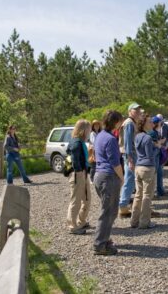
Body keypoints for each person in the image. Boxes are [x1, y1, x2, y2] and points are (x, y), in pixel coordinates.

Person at [93, 110, 124, 255]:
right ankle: (100, 244)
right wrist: (122, 178)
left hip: (99, 175)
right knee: (108, 212)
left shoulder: (100, 135)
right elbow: (115, 163)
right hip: (108, 177)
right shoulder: (111, 139)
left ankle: (104, 238)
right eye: (120, 121)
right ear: (116, 122)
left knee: (109, 211)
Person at [131, 114, 158, 229]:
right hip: (147, 168)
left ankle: (134, 221)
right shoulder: (147, 138)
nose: (152, 124)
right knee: (147, 195)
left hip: (138, 167)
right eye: (149, 122)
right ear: (144, 124)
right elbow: (150, 156)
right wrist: (157, 147)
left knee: (138, 195)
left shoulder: (137, 136)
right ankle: (144, 222)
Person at [66, 119, 92, 235]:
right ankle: (72, 226)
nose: (90, 131)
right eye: (89, 129)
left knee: (87, 199)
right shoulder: (76, 143)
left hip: (83, 173)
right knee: (76, 200)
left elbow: (68, 154)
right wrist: (79, 172)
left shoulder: (77, 141)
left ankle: (81, 221)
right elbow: (75, 161)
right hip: (78, 174)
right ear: (83, 130)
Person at [118, 103, 142, 217]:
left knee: (131, 180)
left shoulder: (132, 122)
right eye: (135, 110)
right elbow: (128, 143)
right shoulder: (129, 123)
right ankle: (122, 206)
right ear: (129, 111)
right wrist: (130, 159)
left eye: (138, 109)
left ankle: (124, 205)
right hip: (130, 155)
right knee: (129, 180)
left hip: (131, 154)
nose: (138, 111)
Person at [149, 116, 168, 198]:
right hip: (154, 156)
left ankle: (160, 190)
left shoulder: (156, 132)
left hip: (157, 155)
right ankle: (153, 192)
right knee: (154, 174)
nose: (161, 124)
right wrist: (162, 141)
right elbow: (155, 143)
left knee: (159, 173)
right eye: (160, 123)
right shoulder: (152, 132)